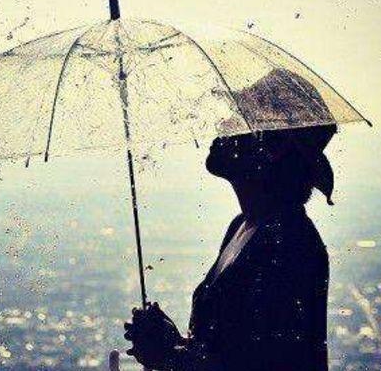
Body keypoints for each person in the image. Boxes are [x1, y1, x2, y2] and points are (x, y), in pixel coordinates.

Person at [124, 69, 338, 371]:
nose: (224, 124)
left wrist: (169, 356)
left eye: (240, 118)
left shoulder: (289, 244)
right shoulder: (244, 227)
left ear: (270, 148)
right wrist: (174, 343)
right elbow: (232, 350)